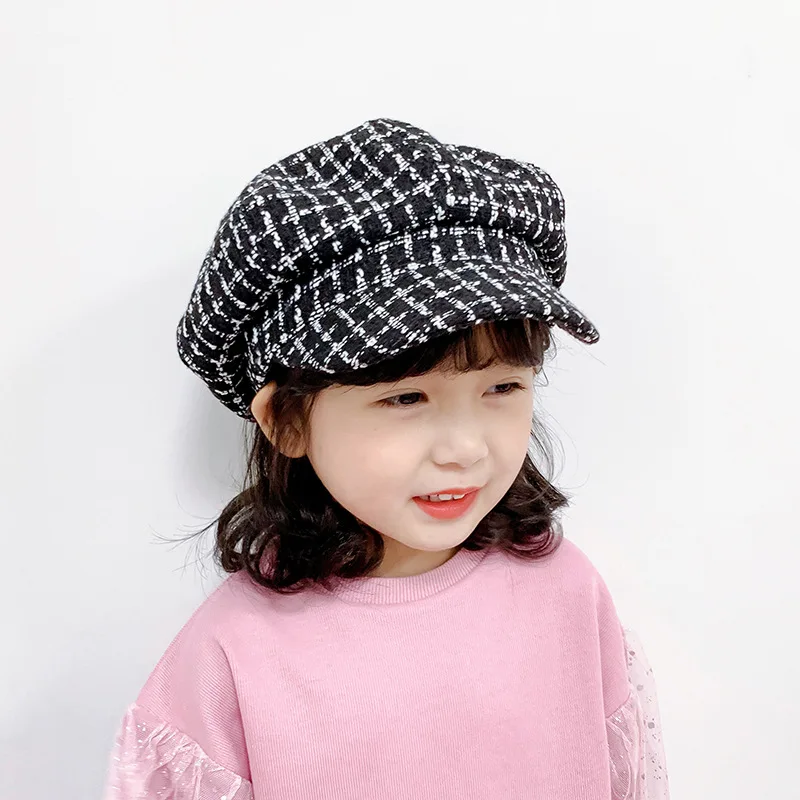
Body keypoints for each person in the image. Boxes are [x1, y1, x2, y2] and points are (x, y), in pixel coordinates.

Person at [102, 118, 669, 799]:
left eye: (502, 388)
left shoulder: (568, 593)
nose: (465, 449)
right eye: (405, 398)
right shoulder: (228, 660)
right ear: (287, 421)